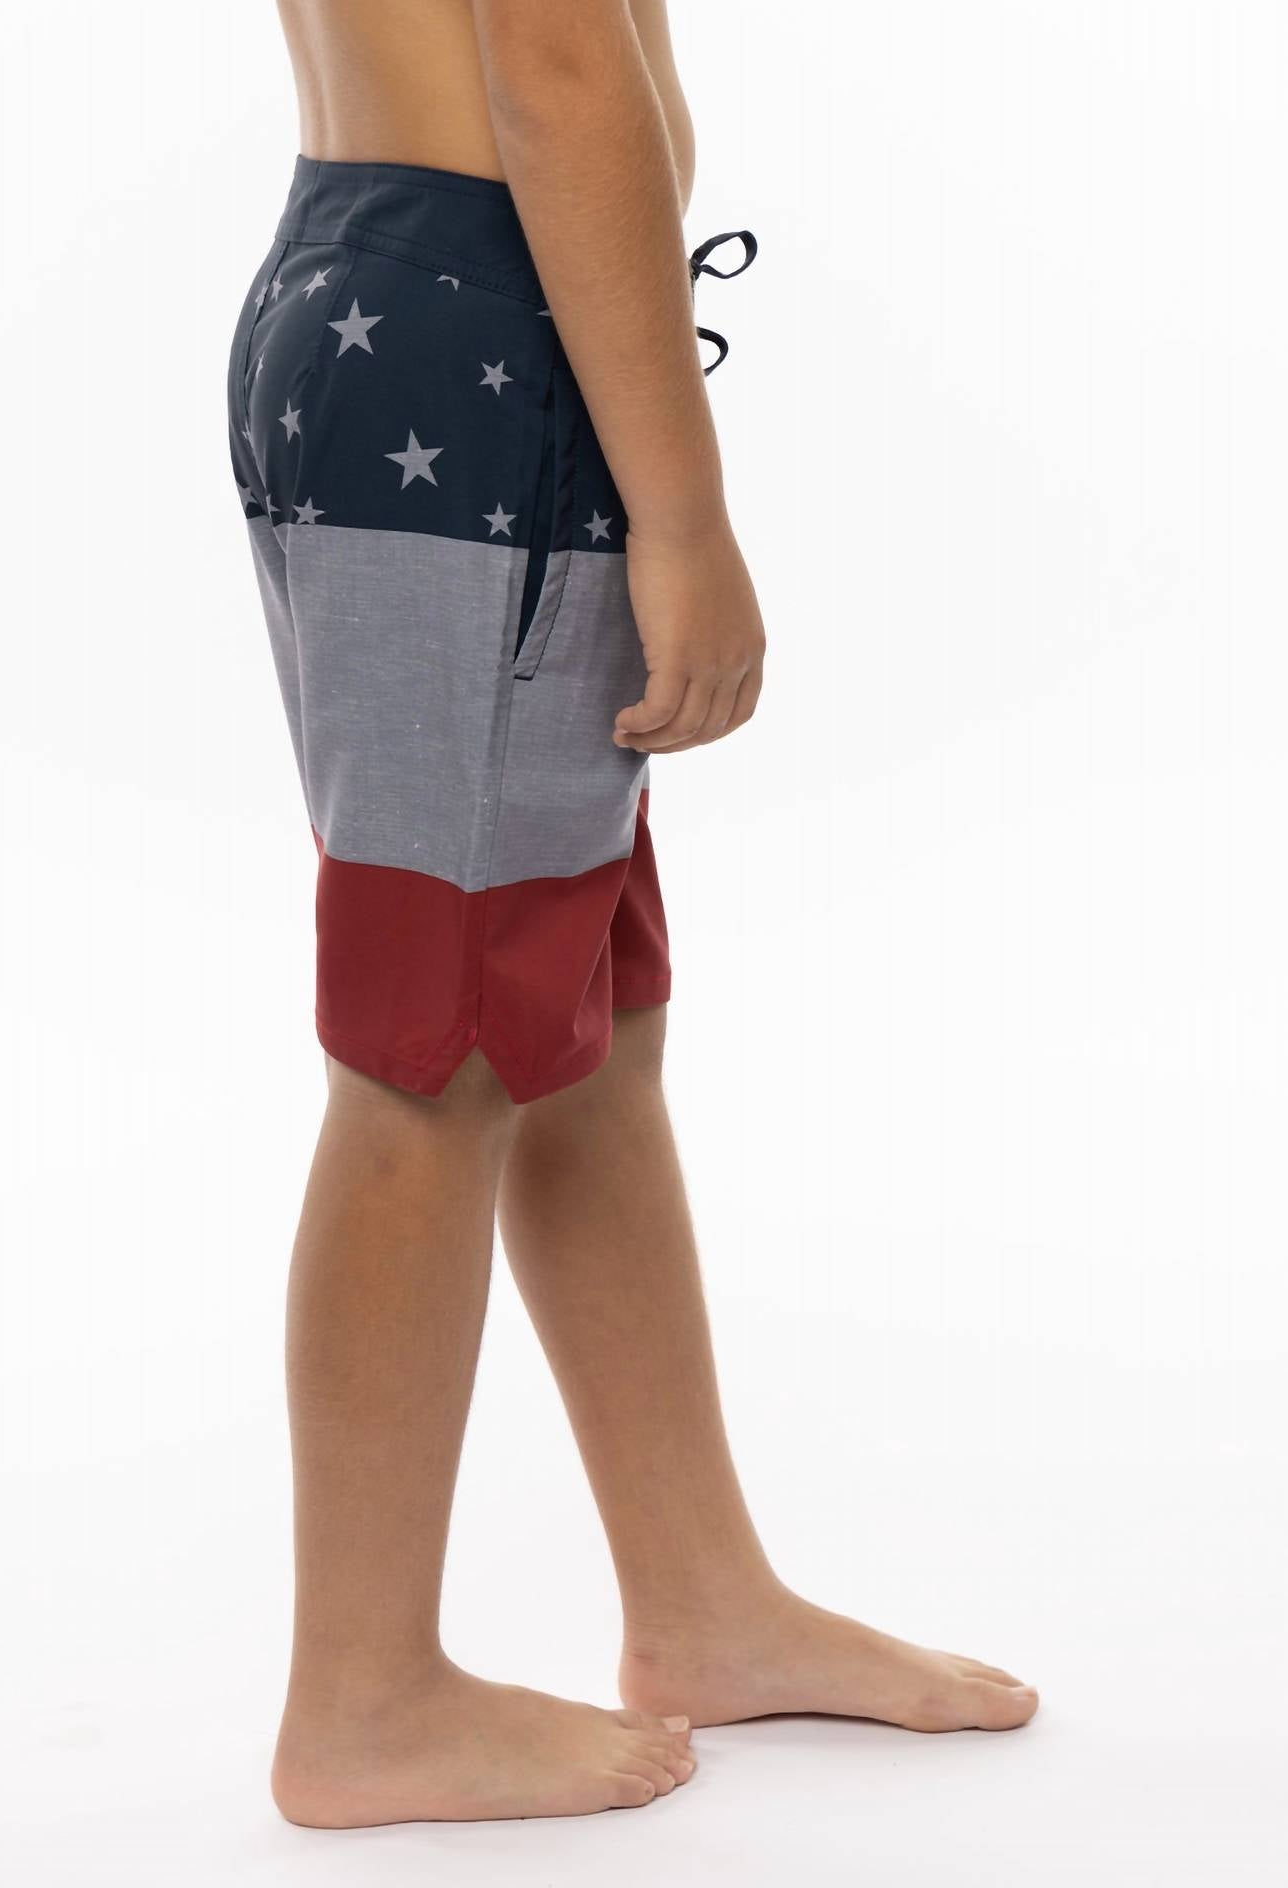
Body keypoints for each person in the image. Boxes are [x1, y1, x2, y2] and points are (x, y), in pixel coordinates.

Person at [226, 0, 1038, 1831]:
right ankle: (363, 1699)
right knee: (437, 1040)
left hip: (402, 301)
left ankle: (701, 1599)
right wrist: (684, 515)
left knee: (577, 1009)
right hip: (475, 344)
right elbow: (558, 62)